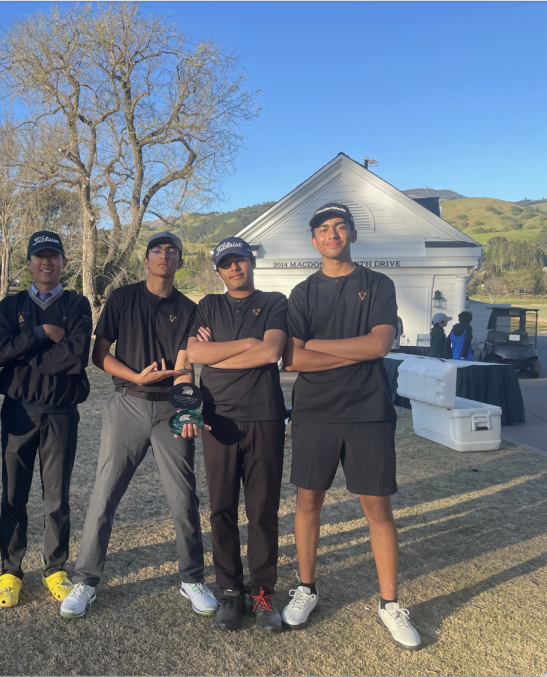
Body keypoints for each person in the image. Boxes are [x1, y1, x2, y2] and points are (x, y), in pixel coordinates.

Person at [281, 203, 422, 651]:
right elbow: (294, 357)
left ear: (352, 235)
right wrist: (352, 350)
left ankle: (389, 604)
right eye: (323, 228)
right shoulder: (302, 293)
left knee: (377, 508)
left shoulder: (378, 284)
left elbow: (380, 344)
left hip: (368, 410)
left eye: (340, 227)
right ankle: (306, 588)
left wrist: (322, 345)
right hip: (315, 411)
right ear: (314, 240)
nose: (332, 234)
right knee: (308, 502)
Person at [59, 231, 218, 619]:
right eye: (157, 251)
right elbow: (100, 355)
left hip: (169, 410)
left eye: (172, 252)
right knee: (104, 496)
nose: (164, 256)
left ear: (180, 261)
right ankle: (85, 580)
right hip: (127, 405)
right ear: (146, 260)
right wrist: (135, 377)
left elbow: (185, 369)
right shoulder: (122, 298)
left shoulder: (189, 307)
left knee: (184, 499)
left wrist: (188, 411)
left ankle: (192, 577)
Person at [186, 237, 288, 632]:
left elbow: (270, 353)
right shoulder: (208, 306)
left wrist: (222, 353)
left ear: (251, 262)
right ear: (219, 270)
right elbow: (195, 354)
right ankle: (230, 590)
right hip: (219, 419)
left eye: (240, 261)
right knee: (221, 508)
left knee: (262, 510)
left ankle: (263, 592)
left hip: (264, 417)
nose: (234, 269)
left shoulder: (276, 301)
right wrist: (248, 343)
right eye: (226, 264)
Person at [0, 231, 93, 608]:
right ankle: (10, 572)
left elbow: (75, 357)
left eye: (53, 256)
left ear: (63, 262)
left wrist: (24, 358)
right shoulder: (10, 304)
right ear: (29, 262)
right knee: (13, 495)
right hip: (18, 413)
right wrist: (41, 333)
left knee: (56, 498)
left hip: (62, 414)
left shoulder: (78, 304)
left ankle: (55, 569)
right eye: (39, 256)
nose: (46, 262)